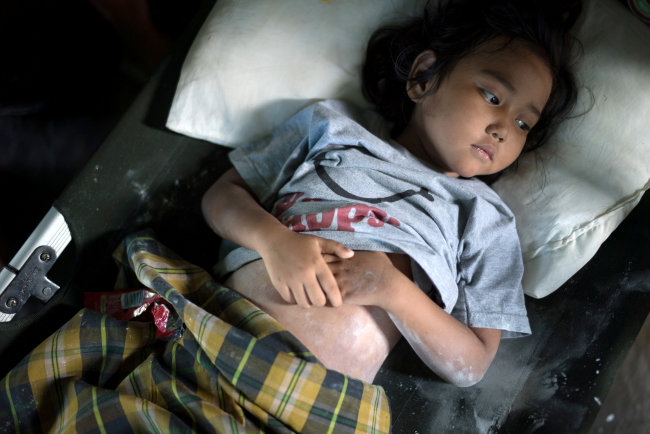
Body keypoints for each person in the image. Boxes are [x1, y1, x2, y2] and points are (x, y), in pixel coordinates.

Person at [201, 0, 580, 385]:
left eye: (523, 123)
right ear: (424, 78)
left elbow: (474, 362)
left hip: (304, 401)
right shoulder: (334, 128)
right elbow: (222, 196)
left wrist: (392, 289)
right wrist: (273, 241)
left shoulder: (485, 218)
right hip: (207, 329)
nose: (503, 129)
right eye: (493, 97)